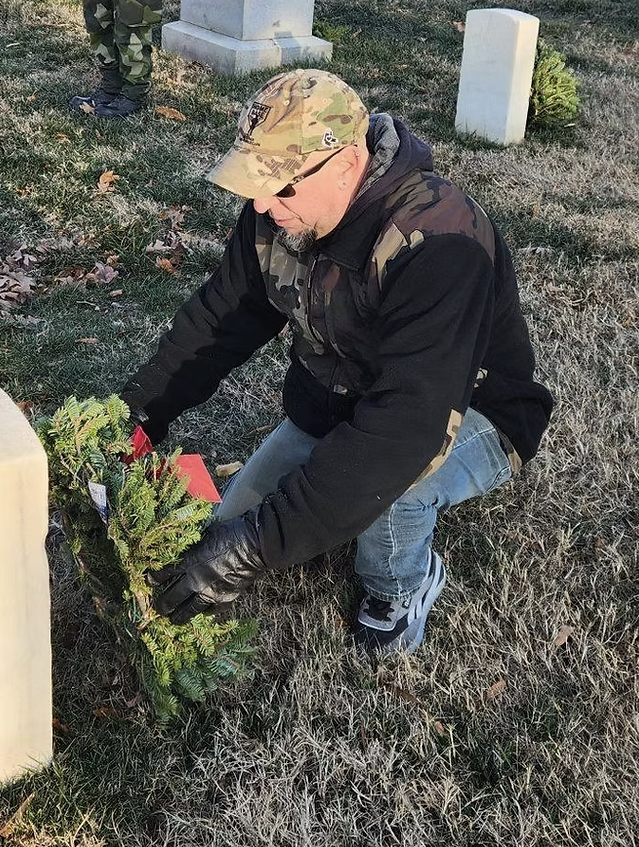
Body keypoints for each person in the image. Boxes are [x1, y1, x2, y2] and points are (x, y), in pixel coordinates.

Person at [120, 69, 554, 657]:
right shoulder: (276, 211)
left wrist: (254, 548)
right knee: (227, 526)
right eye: (254, 183)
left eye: (281, 186)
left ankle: (401, 588)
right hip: (337, 401)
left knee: (393, 487)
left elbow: (408, 428)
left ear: (348, 163)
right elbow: (222, 318)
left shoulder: (441, 240)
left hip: (469, 410)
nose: (263, 204)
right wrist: (144, 412)